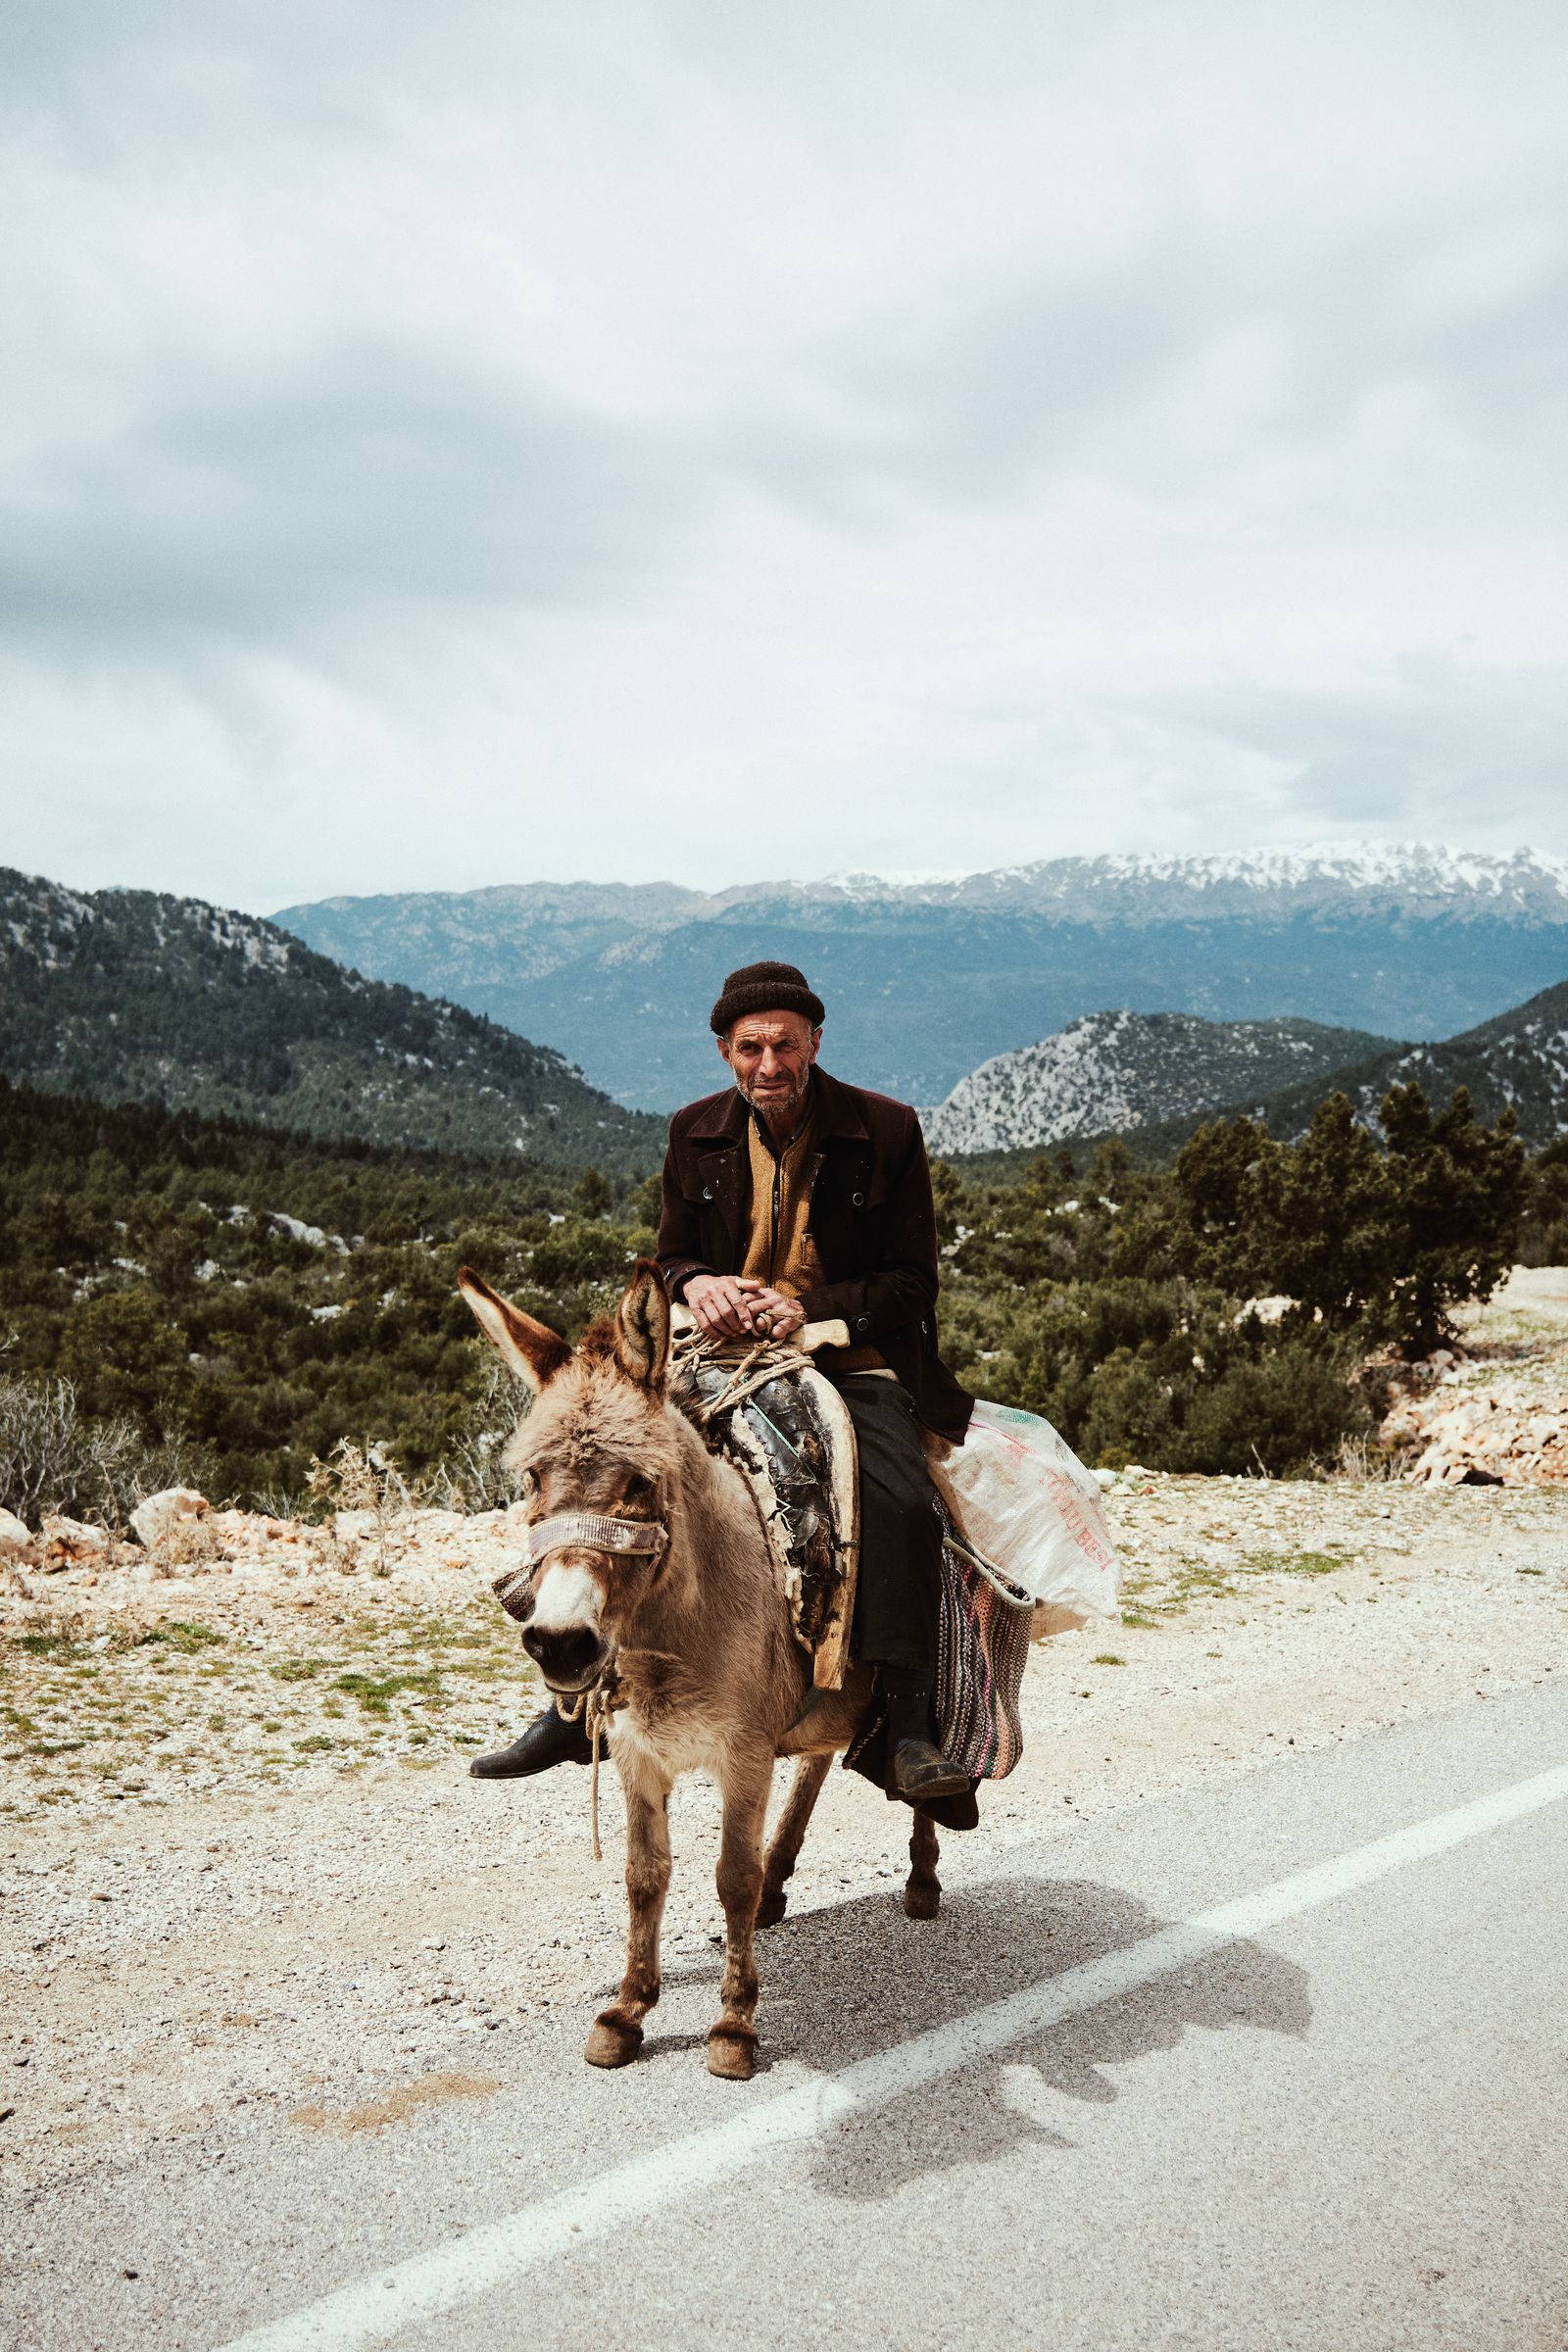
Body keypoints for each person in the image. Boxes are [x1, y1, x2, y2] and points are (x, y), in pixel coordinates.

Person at [468, 958, 974, 1802]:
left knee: (899, 1499)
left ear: (815, 1040)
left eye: (784, 1044)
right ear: (723, 1051)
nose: (768, 1065)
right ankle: (575, 1706)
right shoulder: (692, 1131)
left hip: (844, 1355)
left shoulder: (886, 1130)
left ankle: (907, 1725)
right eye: (750, 1048)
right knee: (601, 1481)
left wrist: (806, 1311)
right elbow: (672, 1255)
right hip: (714, 1352)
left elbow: (911, 1281)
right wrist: (695, 1283)